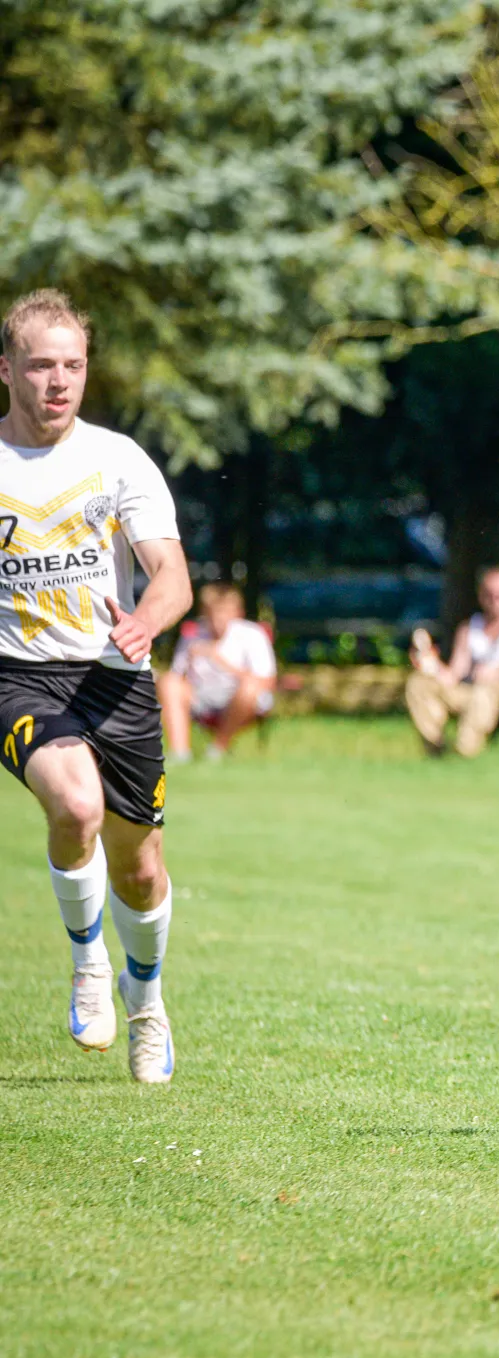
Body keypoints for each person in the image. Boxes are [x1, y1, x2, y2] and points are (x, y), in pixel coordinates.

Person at [0, 289, 190, 1083]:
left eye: (73, 365)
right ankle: (87, 962)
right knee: (75, 805)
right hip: (19, 677)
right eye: (41, 364)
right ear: (6, 369)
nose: (58, 381)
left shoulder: (118, 459)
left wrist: (144, 623)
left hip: (116, 678)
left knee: (140, 870)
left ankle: (146, 1000)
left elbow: (172, 575)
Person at [405, 565, 499, 757]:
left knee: (484, 691)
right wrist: (430, 663)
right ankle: (435, 749)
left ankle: (464, 753)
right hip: (474, 691)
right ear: (481, 596)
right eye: (491, 595)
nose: (497, 602)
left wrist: (498, 669)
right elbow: (453, 675)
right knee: (419, 684)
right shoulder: (470, 628)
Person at [156, 583, 276, 762]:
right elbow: (177, 675)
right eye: (214, 613)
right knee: (168, 682)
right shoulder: (193, 635)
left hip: (237, 699)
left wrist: (219, 660)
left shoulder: (252, 634)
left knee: (251, 688)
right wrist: (188, 663)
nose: (218, 619)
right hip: (201, 696)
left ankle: (218, 750)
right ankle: (180, 753)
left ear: (237, 613)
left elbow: (266, 681)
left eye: (224, 613)